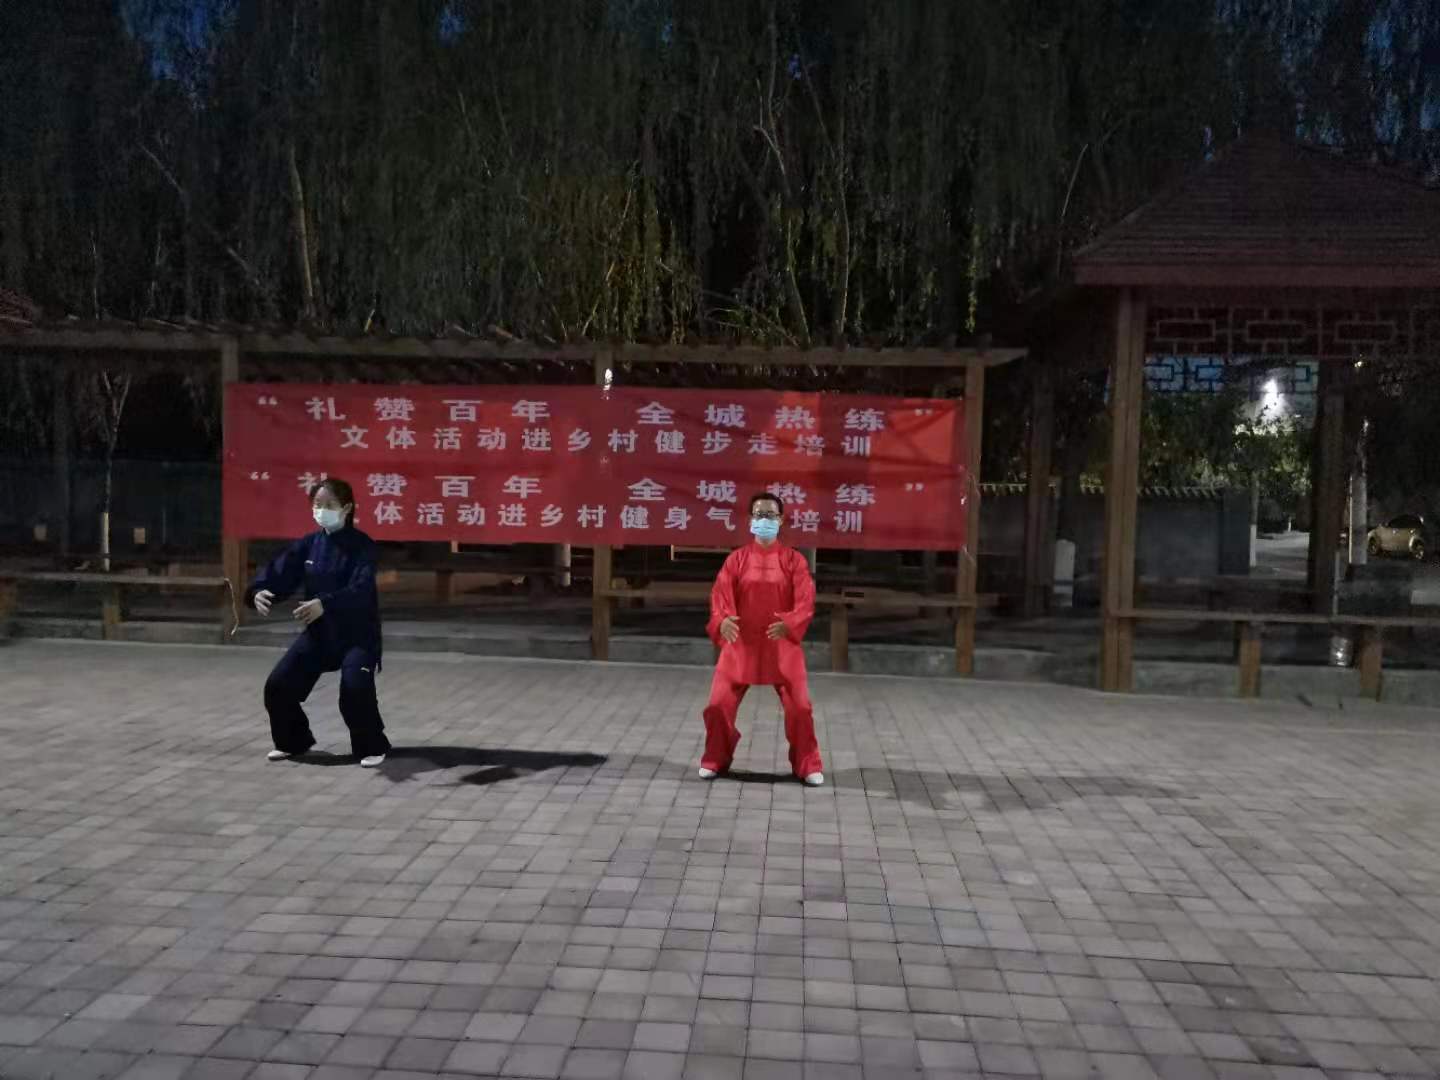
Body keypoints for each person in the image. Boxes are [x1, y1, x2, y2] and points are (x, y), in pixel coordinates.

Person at [243, 477, 391, 767]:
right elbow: (281, 574)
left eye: (329, 505)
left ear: (346, 508)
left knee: (354, 688)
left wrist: (326, 604)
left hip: (358, 636)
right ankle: (293, 742)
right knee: (278, 685)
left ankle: (372, 745)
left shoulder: (363, 546)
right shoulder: (309, 545)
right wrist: (259, 592)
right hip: (320, 636)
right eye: (317, 504)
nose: (321, 510)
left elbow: (361, 590)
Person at [701, 492, 824, 786]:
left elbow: (805, 599)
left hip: (781, 647)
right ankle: (715, 757)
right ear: (750, 520)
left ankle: (807, 763)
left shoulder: (794, 560)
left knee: (801, 708)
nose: (764, 520)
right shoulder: (736, 560)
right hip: (741, 645)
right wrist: (722, 620)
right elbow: (720, 595)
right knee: (717, 704)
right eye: (759, 514)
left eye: (770, 515)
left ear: (780, 520)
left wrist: (790, 623)